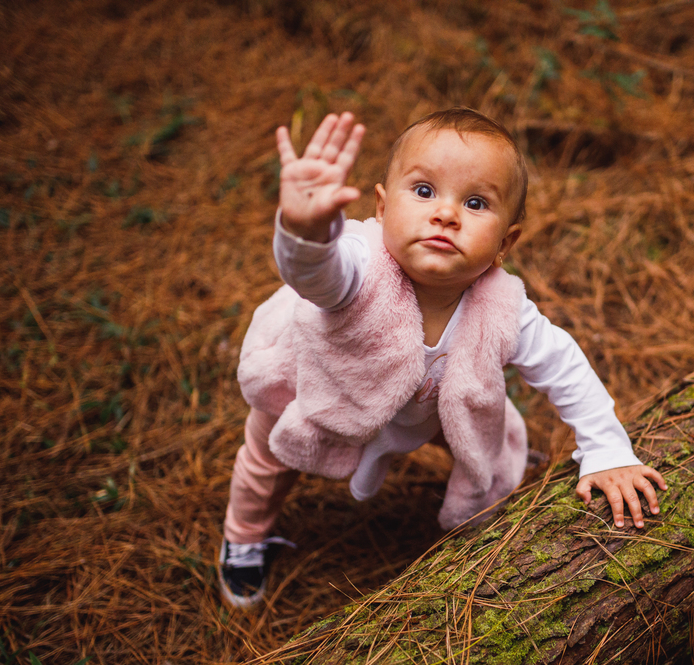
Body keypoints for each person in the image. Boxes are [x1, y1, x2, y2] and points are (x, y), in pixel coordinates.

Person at [218, 108, 666, 608]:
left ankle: (486, 498)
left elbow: (564, 367)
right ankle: (243, 536)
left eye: (476, 203)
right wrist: (305, 233)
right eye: (424, 191)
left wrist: (607, 449)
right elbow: (315, 275)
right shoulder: (359, 271)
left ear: (505, 241)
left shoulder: (502, 309)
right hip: (317, 392)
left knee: (481, 432)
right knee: (266, 463)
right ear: (382, 208)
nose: (446, 214)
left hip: (428, 406)